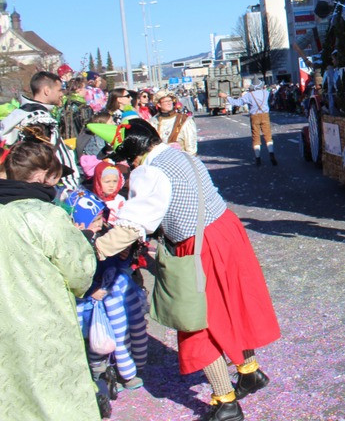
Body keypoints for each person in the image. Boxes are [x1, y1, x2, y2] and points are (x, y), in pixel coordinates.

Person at [96, 118, 280, 420]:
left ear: (133, 155)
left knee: (197, 319)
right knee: (231, 305)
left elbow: (135, 223)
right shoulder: (179, 154)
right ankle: (249, 371)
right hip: (226, 230)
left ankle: (225, 402)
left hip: (198, 245)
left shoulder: (149, 171)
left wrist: (98, 250)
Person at [0, 134, 100, 421]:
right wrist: (87, 238)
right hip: (44, 326)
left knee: (14, 402)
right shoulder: (45, 216)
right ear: (44, 175)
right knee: (58, 401)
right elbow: (80, 274)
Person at [62, 187, 149, 393]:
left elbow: (117, 262)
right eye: (94, 221)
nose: (100, 224)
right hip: (90, 301)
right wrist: (90, 289)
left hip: (116, 295)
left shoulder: (104, 236)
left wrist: (124, 255)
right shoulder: (74, 244)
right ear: (77, 224)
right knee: (96, 340)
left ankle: (129, 371)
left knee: (125, 332)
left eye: (101, 218)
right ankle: (100, 375)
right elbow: (74, 273)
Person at [0, 71, 80, 189]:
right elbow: (42, 155)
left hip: (23, 181)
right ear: (47, 90)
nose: (61, 94)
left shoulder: (20, 113)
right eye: (59, 90)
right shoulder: (40, 119)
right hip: (45, 182)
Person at [221, 80, 275, 165]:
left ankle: (258, 159)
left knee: (256, 137)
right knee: (268, 136)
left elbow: (237, 102)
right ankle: (271, 154)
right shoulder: (266, 93)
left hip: (254, 116)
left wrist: (226, 97)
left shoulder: (249, 95)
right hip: (265, 115)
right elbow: (271, 93)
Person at [154, 89, 198, 154]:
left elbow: (191, 147)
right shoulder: (153, 122)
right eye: (166, 101)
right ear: (159, 104)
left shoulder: (185, 120)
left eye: (170, 100)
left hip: (181, 159)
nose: (169, 103)